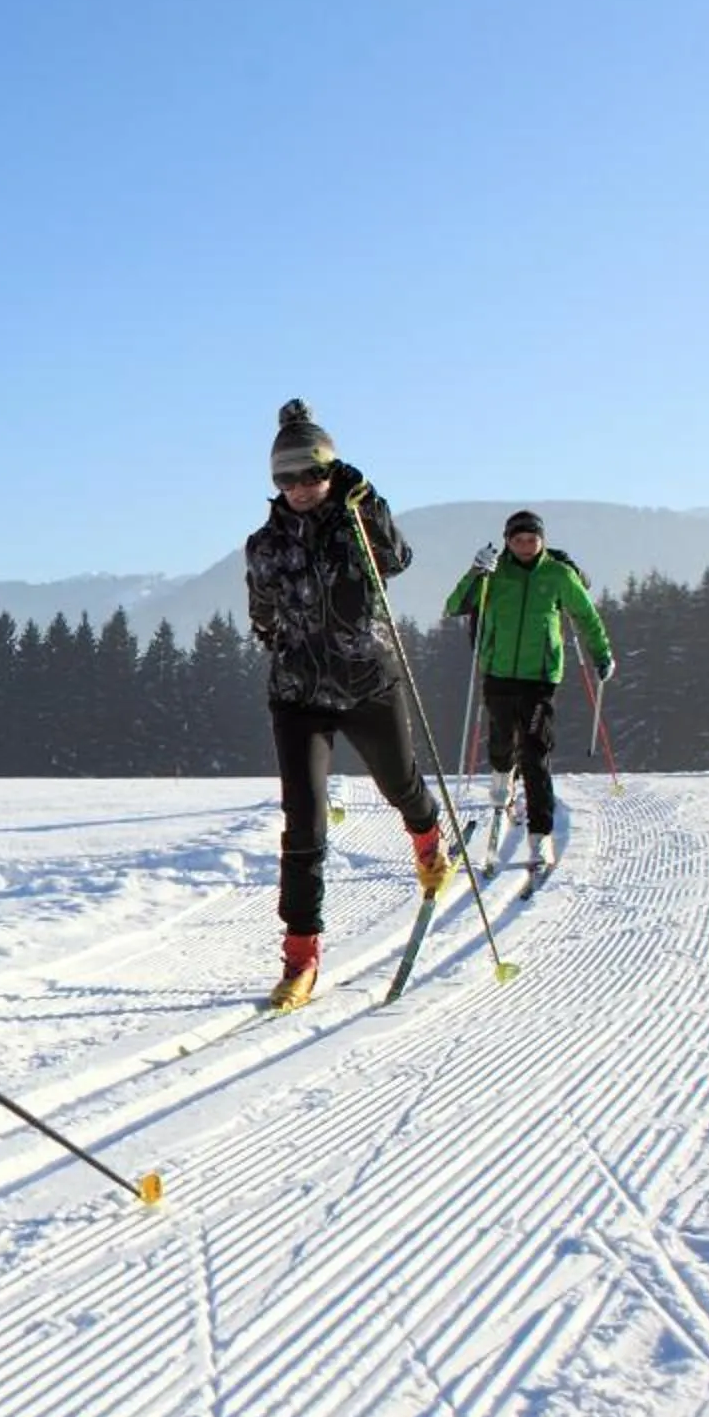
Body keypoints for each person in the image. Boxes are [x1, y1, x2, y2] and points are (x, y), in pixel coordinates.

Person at [244, 400, 457, 1010]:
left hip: (368, 684)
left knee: (401, 783)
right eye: (286, 479)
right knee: (303, 826)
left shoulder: (357, 524)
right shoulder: (263, 545)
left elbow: (397, 560)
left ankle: (426, 836)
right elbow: (262, 614)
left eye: (311, 475)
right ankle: (300, 957)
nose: (300, 489)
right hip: (297, 696)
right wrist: (289, 649)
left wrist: (371, 502)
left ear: (331, 473)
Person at [444, 509, 612, 871]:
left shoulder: (558, 574)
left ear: (542, 540)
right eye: (518, 540)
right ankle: (501, 782)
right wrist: (476, 572)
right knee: (501, 741)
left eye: (531, 539)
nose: (525, 546)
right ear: (507, 541)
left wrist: (602, 655)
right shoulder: (494, 572)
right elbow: (454, 606)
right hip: (498, 672)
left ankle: (540, 836)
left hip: (540, 679)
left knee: (536, 756)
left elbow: (586, 616)